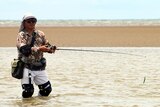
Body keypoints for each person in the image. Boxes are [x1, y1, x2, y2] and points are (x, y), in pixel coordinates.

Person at [16, 13, 56, 98]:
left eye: (33, 21)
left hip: (40, 67)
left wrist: (51, 49)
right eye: (29, 21)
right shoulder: (21, 35)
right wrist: (39, 49)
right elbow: (24, 49)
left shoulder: (41, 34)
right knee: (28, 92)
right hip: (27, 67)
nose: (31, 23)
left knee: (47, 90)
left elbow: (47, 45)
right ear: (24, 23)